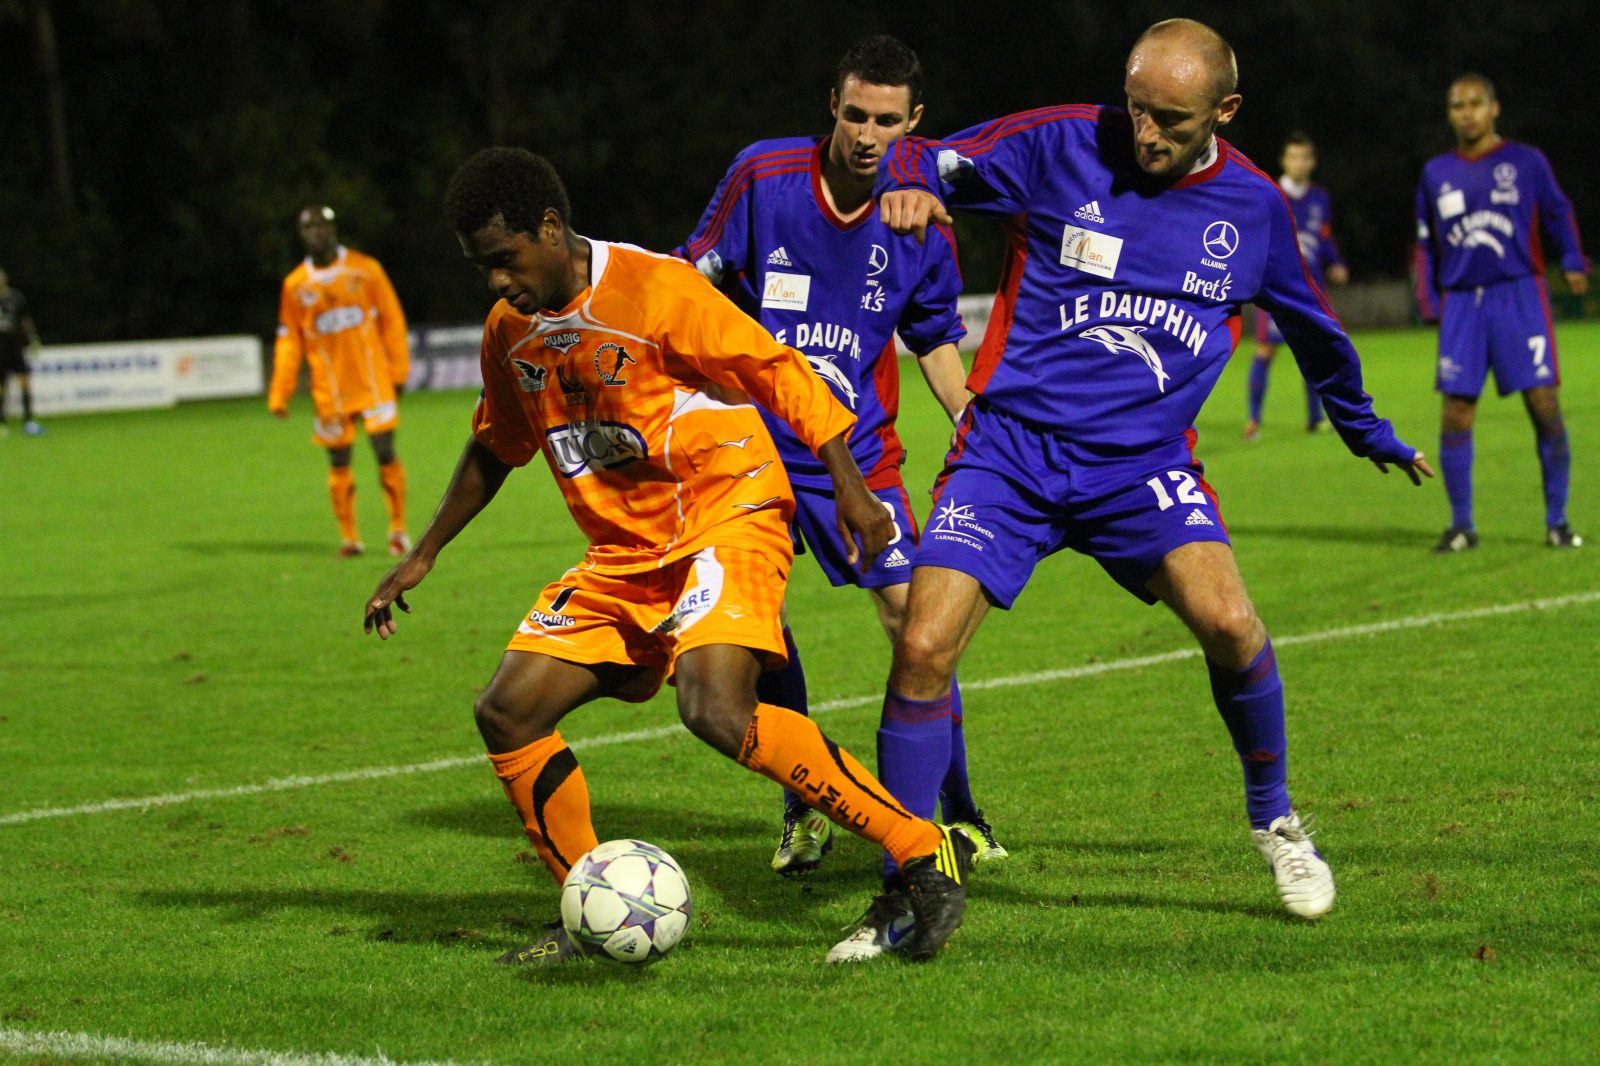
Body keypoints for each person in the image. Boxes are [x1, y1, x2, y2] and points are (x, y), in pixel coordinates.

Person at [843, 17, 1434, 961]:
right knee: (921, 645)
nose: (1145, 133)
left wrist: (1366, 430)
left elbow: (1315, 331)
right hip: (1011, 454)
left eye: (1170, 119)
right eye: (1136, 109)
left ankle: (1277, 822)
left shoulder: (1252, 210)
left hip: (1142, 465)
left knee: (1233, 625)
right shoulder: (1061, 143)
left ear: (1224, 112)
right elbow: (929, 155)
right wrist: (910, 180)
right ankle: (905, 883)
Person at [361, 147, 975, 966]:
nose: (498, 283)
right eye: (483, 269)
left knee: (714, 708)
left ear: (551, 229)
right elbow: (497, 444)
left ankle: (922, 855)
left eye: (505, 260)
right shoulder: (509, 333)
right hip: (626, 550)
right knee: (507, 712)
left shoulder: (654, 288)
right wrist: (424, 553)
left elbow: (776, 369)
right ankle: (586, 909)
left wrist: (851, 486)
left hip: (728, 509)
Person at [677, 34, 1004, 881]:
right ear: (833, 105)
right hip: (749, 453)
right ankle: (805, 804)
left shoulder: (918, 219)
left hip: (859, 457)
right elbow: (689, 283)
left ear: (914, 121)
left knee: (917, 627)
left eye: (887, 121)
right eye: (855, 114)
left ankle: (959, 815)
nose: (867, 135)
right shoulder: (764, 177)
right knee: (760, 636)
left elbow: (933, 337)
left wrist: (971, 418)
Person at [1413, 73, 1590, 553]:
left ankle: (1557, 521)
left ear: (1494, 109)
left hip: (1519, 294)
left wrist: (1573, 258)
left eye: (1475, 103)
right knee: (1456, 412)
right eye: (1457, 105)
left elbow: (1558, 211)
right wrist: (1428, 298)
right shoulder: (1436, 172)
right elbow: (1425, 243)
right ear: (1449, 114)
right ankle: (1462, 526)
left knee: (1544, 403)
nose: (1466, 113)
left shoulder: (1525, 162)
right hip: (1462, 303)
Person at [269, 205, 412, 557]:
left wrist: (399, 371)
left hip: (373, 382)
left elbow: (392, 320)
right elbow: (289, 341)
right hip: (329, 391)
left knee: (384, 450)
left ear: (333, 230)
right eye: (308, 228)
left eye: (321, 226)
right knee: (338, 461)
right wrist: (280, 392)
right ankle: (350, 539)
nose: (315, 233)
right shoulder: (295, 285)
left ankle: (397, 530)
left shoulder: (365, 269)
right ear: (302, 235)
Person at [1244, 132, 1349, 439]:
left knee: (1315, 352)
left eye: (1304, 158)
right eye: (1293, 157)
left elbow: (1323, 237)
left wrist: (1336, 262)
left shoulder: (1319, 198)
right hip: (1275, 290)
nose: (1299, 163)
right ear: (1283, 161)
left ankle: (1315, 419)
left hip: (1312, 289)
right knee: (1266, 350)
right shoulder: (1271, 195)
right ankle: (1253, 420)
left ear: (1312, 162)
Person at [0, 268, 45, 437]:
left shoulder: (16, 297)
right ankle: (1, 423)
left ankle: (29, 422)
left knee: (25, 382)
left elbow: (25, 320)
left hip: (15, 347)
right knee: (2, 387)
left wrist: (33, 339)